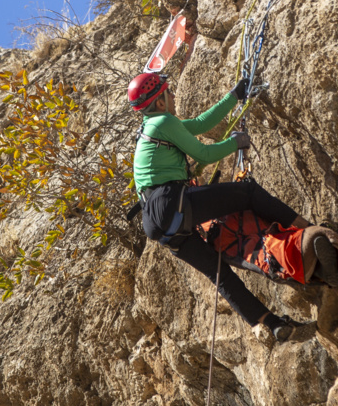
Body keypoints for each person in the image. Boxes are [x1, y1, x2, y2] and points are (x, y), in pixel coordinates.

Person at [129, 71, 312, 341]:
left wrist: (235, 95)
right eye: (169, 92)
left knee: (219, 273)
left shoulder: (154, 126)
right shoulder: (163, 121)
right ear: (159, 102)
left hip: (155, 221)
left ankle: (270, 324)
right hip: (169, 202)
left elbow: (202, 123)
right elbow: (204, 153)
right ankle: (307, 229)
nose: (174, 96)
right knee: (248, 192)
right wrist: (236, 142)